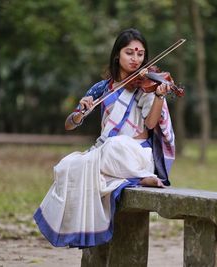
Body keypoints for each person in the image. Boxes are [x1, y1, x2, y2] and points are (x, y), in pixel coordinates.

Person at [33, 28, 176, 248]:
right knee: (69, 164)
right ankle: (80, 231)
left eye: (140, 54)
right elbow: (69, 124)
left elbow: (150, 124)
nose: (136, 59)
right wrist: (80, 112)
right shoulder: (102, 88)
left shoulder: (147, 88)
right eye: (130, 53)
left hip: (134, 154)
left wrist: (158, 96)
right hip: (106, 153)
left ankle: (141, 176)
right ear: (117, 54)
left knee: (114, 146)